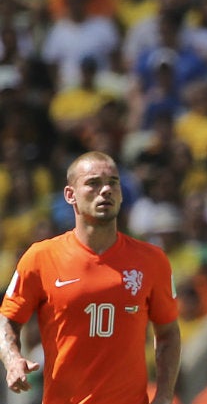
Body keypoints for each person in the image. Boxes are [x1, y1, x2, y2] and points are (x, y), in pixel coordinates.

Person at [0, 151, 181, 404]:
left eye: (113, 182)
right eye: (93, 183)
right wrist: (12, 359)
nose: (105, 190)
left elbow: (168, 333)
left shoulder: (152, 260)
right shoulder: (41, 257)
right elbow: (7, 318)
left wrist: (163, 395)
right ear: (70, 195)